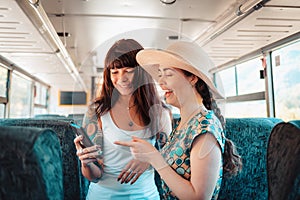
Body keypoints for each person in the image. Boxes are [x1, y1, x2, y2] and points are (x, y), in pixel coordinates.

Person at [115, 41, 242, 199]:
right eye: (160, 74)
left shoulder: (205, 127)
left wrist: (154, 157)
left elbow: (198, 197)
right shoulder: (184, 123)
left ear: (192, 78)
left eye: (168, 74)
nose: (161, 83)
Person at [74, 39, 172, 199]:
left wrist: (151, 158)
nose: (122, 78)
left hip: (146, 196)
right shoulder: (96, 112)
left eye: (128, 71)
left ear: (141, 72)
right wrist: (86, 163)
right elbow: (94, 176)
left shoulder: (160, 113)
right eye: (115, 72)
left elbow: (170, 163)